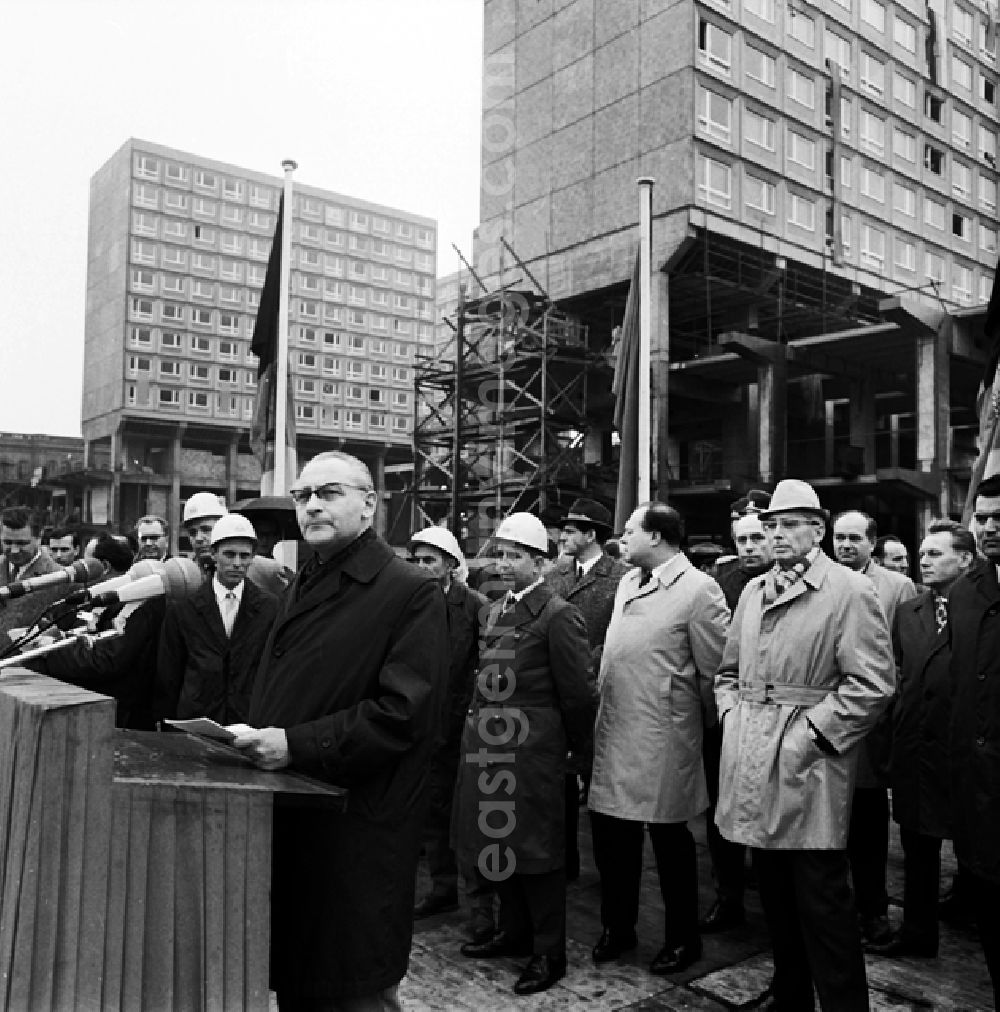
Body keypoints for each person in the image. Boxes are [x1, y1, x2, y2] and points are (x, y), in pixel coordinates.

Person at [233, 451, 448, 1011]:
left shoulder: (409, 589)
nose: (311, 506)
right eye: (302, 496)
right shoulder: (304, 580)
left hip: (353, 832)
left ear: (369, 503)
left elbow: (403, 714)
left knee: (350, 993)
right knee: (304, 987)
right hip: (295, 822)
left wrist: (295, 745)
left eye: (328, 492)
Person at [716, 479, 894, 1011]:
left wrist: (810, 737)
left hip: (807, 766)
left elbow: (872, 685)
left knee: (822, 901)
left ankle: (843, 1004)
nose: (775, 535)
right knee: (773, 895)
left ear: (818, 529)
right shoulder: (751, 590)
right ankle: (790, 994)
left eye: (789, 524)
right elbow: (726, 672)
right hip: (751, 756)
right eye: (769, 525)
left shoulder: (849, 590)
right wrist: (732, 718)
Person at [453, 511, 594, 996]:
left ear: (541, 561)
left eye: (517, 556)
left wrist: (577, 758)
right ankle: (513, 933)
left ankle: (548, 951)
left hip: (534, 752)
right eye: (502, 554)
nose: (506, 564)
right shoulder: (496, 610)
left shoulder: (558, 615)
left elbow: (577, 695)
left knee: (540, 855)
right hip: (491, 747)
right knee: (498, 844)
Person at [588, 502, 729, 976]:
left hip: (664, 739)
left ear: (657, 536)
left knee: (671, 846)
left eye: (630, 531)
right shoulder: (630, 582)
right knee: (613, 841)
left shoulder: (698, 590)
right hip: (614, 732)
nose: (622, 538)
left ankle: (682, 939)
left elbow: (715, 673)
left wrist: (692, 726)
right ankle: (618, 927)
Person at [871, 519, 975, 960]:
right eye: (922, 553)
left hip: (966, 750)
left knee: (975, 847)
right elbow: (897, 674)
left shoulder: (983, 609)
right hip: (914, 747)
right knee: (917, 847)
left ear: (965, 559)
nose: (923, 560)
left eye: (935, 553)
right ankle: (917, 932)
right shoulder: (908, 612)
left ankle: (970, 909)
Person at [832, 509, 917, 945]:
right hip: (826, 721)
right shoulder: (823, 580)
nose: (844, 546)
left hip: (871, 724)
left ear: (872, 543)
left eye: (853, 539)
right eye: (838, 538)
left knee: (867, 825)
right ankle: (838, 909)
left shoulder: (898, 588)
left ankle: (874, 910)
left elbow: (907, 655)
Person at [408, 526, 491, 941]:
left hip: (463, 728)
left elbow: (491, 667)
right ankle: (443, 889)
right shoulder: (408, 605)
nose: (422, 568)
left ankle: (482, 907)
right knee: (432, 815)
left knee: (471, 817)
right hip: (423, 727)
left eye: (430, 560)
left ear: (451, 565)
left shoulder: (475, 606)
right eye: (417, 560)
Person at [544, 497, 629, 881]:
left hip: (605, 693)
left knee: (601, 782)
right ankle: (566, 862)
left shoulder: (622, 577)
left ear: (591, 535)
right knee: (561, 779)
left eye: (571, 530)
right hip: (562, 692)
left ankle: (608, 867)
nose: (563, 537)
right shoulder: (555, 578)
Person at [702, 510, 775, 934]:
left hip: (775, 716)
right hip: (727, 717)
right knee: (721, 810)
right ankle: (727, 896)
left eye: (756, 538)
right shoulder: (723, 584)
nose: (748, 547)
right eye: (741, 539)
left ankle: (772, 901)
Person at [948, 472, 1000, 1006]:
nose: (988, 528)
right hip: (978, 792)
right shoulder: (967, 591)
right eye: (982, 518)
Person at [156, 513, 277, 725]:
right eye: (229, 555)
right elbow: (169, 674)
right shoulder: (183, 609)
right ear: (213, 553)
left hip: (248, 723)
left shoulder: (271, 608)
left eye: (244, 556)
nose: (237, 563)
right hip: (195, 723)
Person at [0, 506, 66, 643]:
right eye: (7, 542)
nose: (14, 550)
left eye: (22, 543)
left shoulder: (61, 579)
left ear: (39, 537)